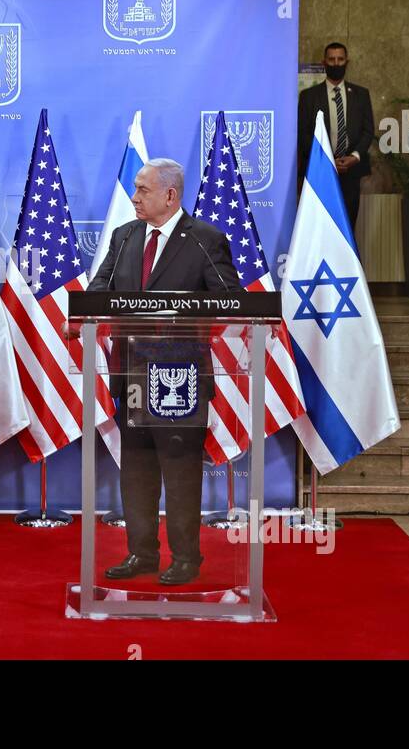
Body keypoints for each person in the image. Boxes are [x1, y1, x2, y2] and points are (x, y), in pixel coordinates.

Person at [88, 158, 239, 586]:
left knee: (179, 469)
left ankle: (187, 558)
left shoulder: (205, 240)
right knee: (135, 466)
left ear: (170, 195)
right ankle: (142, 553)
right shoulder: (125, 237)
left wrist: (180, 319)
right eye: (135, 189)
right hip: (131, 372)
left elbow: (230, 300)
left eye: (143, 190)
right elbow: (99, 293)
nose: (134, 198)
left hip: (180, 378)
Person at [297, 42, 374, 229]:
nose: (336, 63)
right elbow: (303, 133)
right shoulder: (309, 96)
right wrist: (328, 159)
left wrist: (354, 157)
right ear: (324, 62)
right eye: (331, 59)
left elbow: (368, 130)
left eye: (340, 59)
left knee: (347, 226)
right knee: (320, 227)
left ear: (347, 61)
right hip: (320, 171)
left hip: (351, 173)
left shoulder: (361, 94)